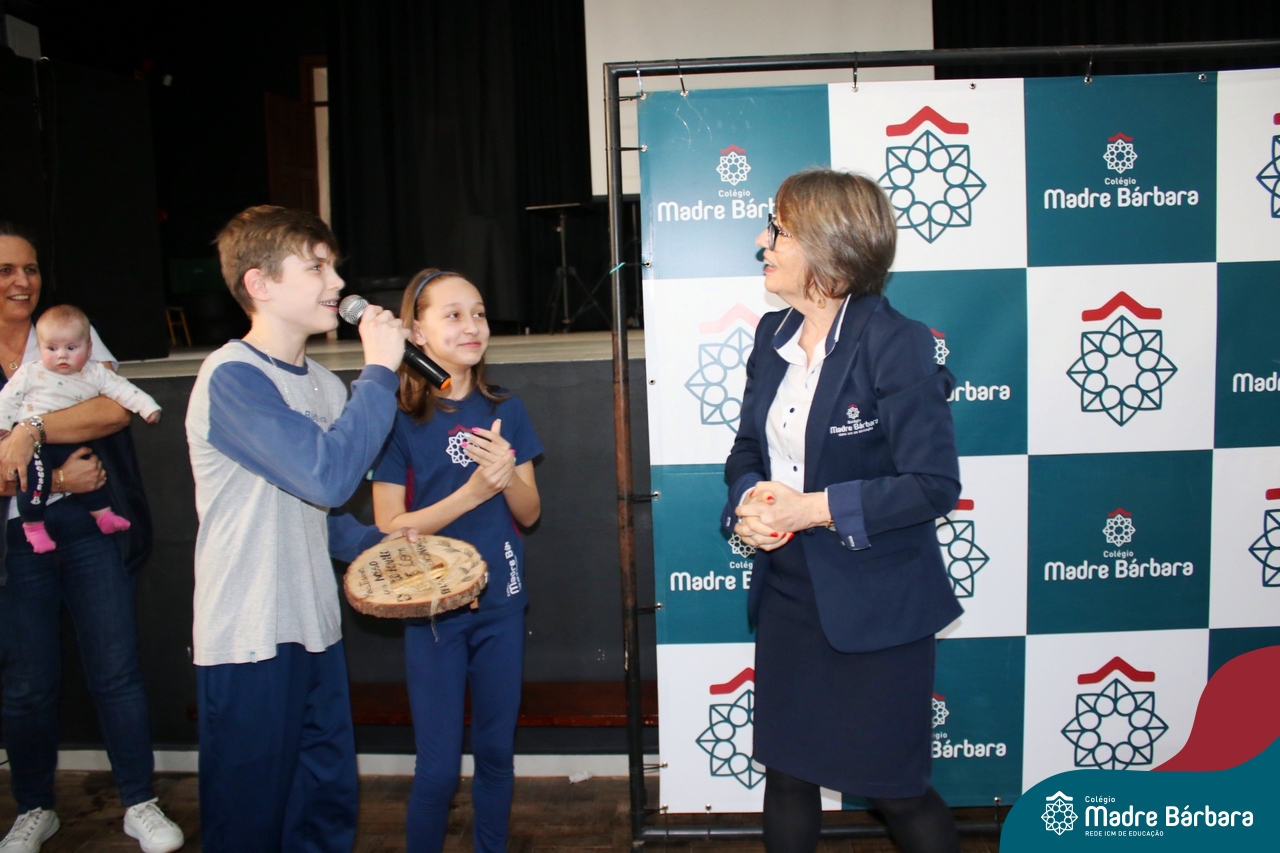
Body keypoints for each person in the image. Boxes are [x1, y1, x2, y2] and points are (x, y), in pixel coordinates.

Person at [722, 170, 963, 853]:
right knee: (787, 775)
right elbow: (747, 449)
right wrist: (751, 500)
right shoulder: (772, 334)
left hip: (878, 603)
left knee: (895, 790)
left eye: (779, 230)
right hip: (789, 594)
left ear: (829, 249)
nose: (762, 240)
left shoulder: (896, 341)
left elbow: (933, 484)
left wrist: (811, 508)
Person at [184, 206, 412, 853]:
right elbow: (326, 477)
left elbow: (322, 514)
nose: (336, 282)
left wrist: (379, 547)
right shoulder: (233, 377)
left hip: (315, 628)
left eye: (333, 266)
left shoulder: (326, 386)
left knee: (324, 807)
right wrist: (380, 371)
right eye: (316, 267)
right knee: (249, 819)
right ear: (258, 284)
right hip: (250, 634)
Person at [0, 222, 184, 853]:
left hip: (89, 528)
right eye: (6, 271)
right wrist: (56, 472)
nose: (22, 281)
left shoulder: (65, 326)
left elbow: (110, 408)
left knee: (117, 669)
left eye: (30, 268)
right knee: (27, 683)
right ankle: (33, 808)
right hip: (17, 540)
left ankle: (140, 801)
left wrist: (25, 433)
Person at [371, 269, 542, 853]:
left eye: (479, 312)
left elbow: (530, 512)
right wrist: (472, 492)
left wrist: (504, 475)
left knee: (495, 753)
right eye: (453, 315)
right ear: (416, 332)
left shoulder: (505, 408)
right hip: (433, 612)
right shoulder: (395, 417)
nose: (472, 326)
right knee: (439, 768)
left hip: (501, 607)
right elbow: (389, 528)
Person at [0, 304, 162, 553]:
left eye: (71, 348)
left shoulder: (94, 373)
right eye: (52, 349)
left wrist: (147, 407)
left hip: (70, 440)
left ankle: (103, 515)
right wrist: (4, 427)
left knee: (89, 471)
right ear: (40, 348)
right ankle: (33, 525)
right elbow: (6, 400)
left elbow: (122, 391)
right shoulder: (31, 372)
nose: (61, 356)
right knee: (34, 478)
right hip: (37, 449)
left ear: (88, 349)